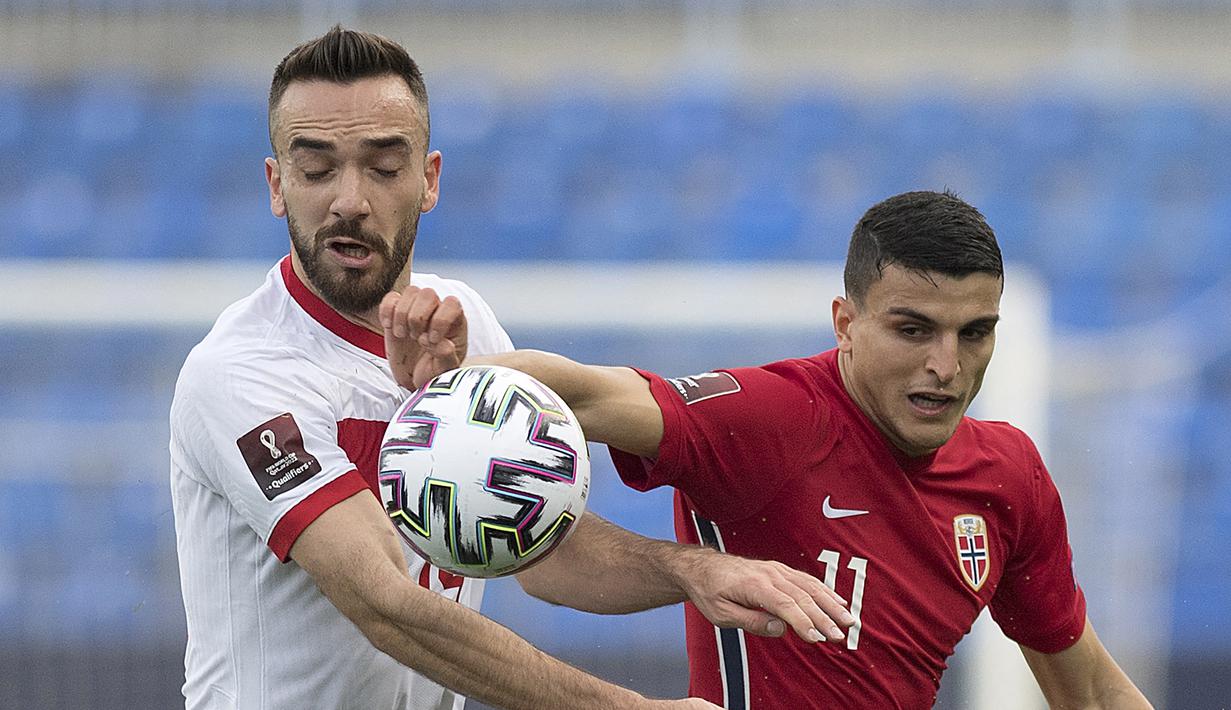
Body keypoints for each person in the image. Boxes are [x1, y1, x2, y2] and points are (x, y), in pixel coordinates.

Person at [167, 26, 857, 710]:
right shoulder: (240, 374)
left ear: (428, 180)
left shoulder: (462, 319)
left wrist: (693, 570)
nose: (349, 198)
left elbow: (543, 551)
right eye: (316, 169)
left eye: (382, 166)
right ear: (277, 184)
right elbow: (386, 606)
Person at [386, 190, 1153, 708]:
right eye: (912, 329)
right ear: (845, 324)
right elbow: (586, 394)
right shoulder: (772, 420)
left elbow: (1083, 686)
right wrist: (465, 383)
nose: (946, 367)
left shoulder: (1009, 476)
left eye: (973, 333)